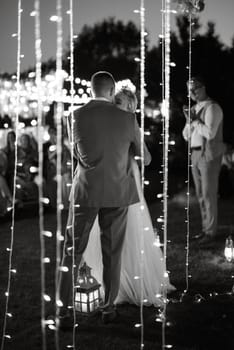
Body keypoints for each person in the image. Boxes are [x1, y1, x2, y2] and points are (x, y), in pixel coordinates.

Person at [58, 72, 143, 325]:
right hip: (118, 192)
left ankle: (62, 314)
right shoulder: (128, 118)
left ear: (92, 89)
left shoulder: (73, 116)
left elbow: (75, 152)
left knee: (71, 252)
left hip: (86, 192)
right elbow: (144, 157)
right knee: (112, 253)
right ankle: (108, 309)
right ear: (111, 91)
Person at [82, 88, 175, 306]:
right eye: (114, 101)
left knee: (129, 234)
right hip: (105, 186)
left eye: (119, 102)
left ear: (130, 106)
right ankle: (109, 283)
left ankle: (129, 281)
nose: (115, 105)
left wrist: (132, 148)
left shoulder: (130, 123)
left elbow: (148, 158)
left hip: (126, 184)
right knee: (103, 235)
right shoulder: (105, 123)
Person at [182, 76, 225, 243]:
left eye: (195, 88)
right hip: (195, 153)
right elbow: (186, 135)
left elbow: (210, 133)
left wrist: (194, 121)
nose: (192, 93)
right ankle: (205, 229)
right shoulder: (194, 109)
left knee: (208, 194)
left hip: (209, 154)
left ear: (203, 87)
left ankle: (211, 232)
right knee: (200, 194)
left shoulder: (213, 108)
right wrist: (189, 122)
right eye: (190, 90)